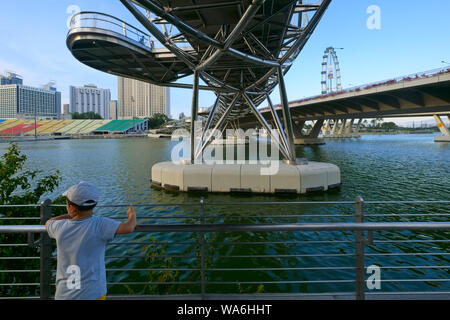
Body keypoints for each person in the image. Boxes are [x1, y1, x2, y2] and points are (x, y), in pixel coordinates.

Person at [45, 181, 137, 300]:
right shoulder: (100, 224)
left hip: (64, 294)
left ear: (71, 207)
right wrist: (132, 214)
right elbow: (129, 227)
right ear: (94, 205)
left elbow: (49, 222)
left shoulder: (59, 227)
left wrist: (71, 215)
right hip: (93, 293)